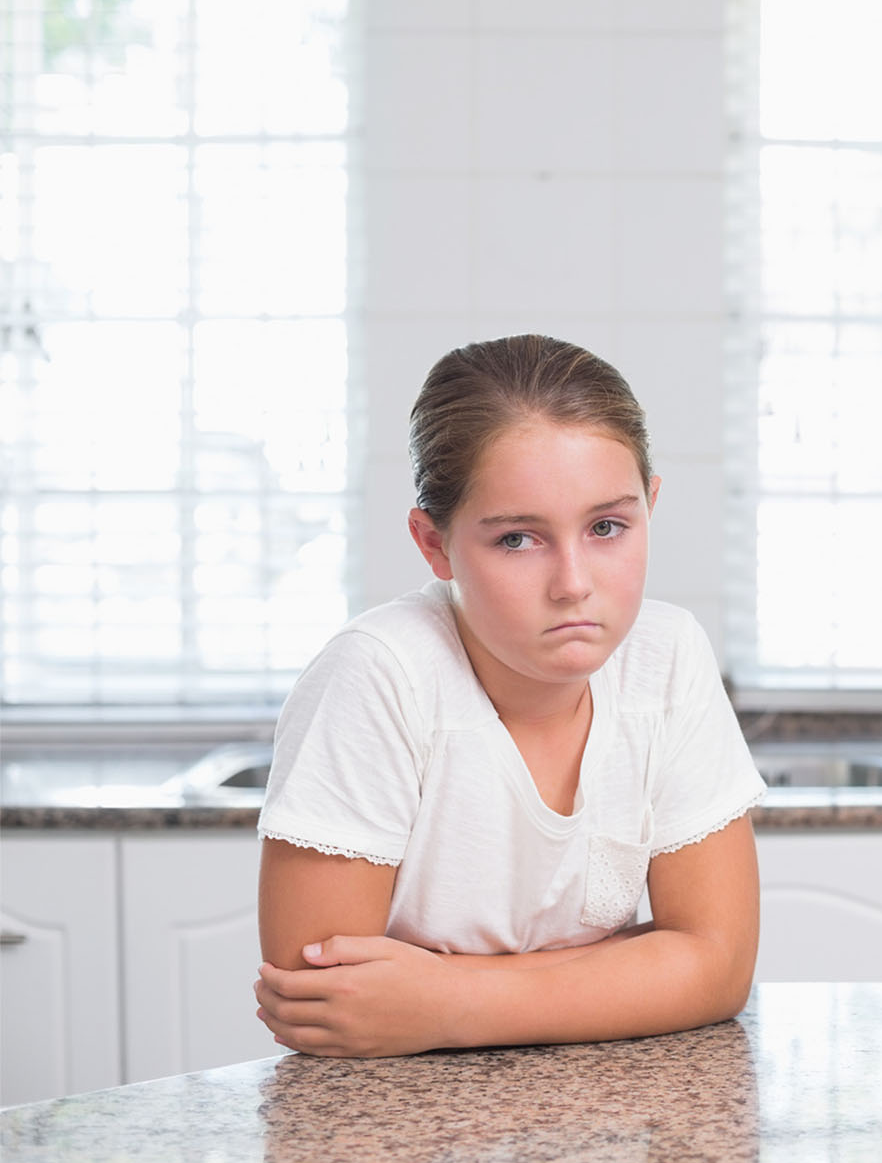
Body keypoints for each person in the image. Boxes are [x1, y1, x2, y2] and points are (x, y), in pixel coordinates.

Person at [253, 334, 765, 1058]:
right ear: (434, 544)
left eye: (607, 528)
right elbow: (325, 1004)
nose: (574, 582)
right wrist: (632, 969)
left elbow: (718, 968)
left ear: (650, 505)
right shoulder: (381, 676)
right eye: (519, 540)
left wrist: (447, 1002)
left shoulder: (667, 656)